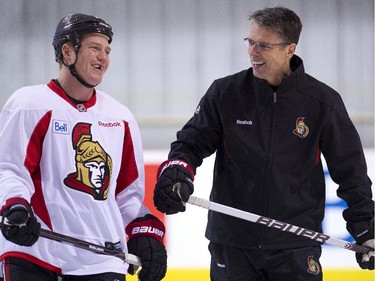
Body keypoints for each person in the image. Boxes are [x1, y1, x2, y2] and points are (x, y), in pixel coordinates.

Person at [153, 6, 374, 281]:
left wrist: (365, 228)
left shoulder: (321, 102)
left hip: (295, 244)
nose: (253, 52)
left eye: (264, 46)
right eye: (251, 42)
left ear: (289, 49)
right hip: (232, 244)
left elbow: (350, 170)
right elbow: (190, 143)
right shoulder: (226, 93)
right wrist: (177, 171)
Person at [0, 13, 167, 281]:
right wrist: (14, 207)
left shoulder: (119, 117)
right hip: (35, 256)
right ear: (67, 52)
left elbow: (127, 195)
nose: (104, 58)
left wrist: (144, 231)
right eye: (95, 48)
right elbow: (9, 169)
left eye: (107, 51)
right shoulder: (29, 103)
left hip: (102, 261)